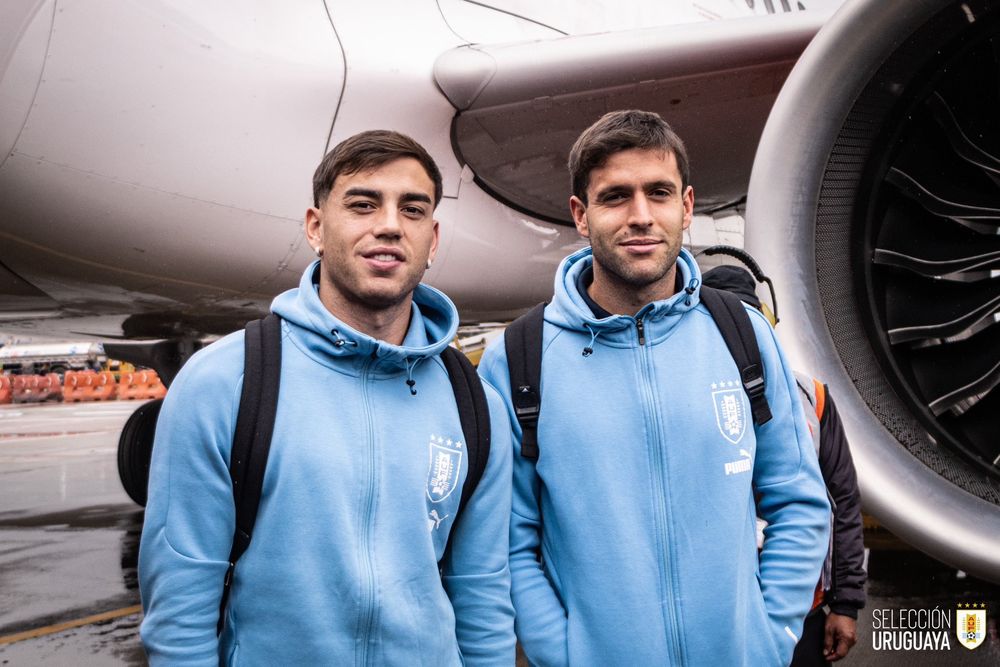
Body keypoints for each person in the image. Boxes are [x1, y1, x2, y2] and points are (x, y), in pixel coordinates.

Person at [139, 130, 515, 665]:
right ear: (316, 228)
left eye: (412, 209)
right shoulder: (222, 383)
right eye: (363, 205)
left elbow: (483, 596)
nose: (390, 225)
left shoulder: (475, 404)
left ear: (432, 241)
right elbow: (180, 612)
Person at [478, 109, 830, 666]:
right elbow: (508, 538)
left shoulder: (742, 333)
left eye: (659, 193)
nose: (640, 216)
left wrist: (768, 638)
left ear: (686, 207)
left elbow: (798, 500)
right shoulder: (519, 359)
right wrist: (564, 654)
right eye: (615, 196)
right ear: (581, 215)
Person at [701, 264, 867, 665]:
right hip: (711, 617)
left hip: (802, 613)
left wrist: (845, 603)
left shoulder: (812, 397)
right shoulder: (678, 398)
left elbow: (842, 502)